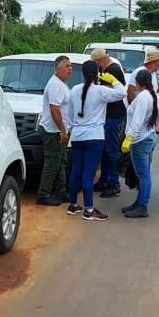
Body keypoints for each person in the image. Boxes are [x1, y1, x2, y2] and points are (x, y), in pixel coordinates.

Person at [64, 61, 128, 221]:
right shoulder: (101, 91)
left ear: (82, 74)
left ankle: (73, 205)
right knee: (88, 173)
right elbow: (122, 93)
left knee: (76, 172)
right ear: (97, 74)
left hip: (77, 136)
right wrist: (112, 79)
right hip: (95, 136)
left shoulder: (73, 90)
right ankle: (89, 209)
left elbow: (70, 116)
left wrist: (74, 128)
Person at [90, 48, 128, 199]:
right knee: (105, 150)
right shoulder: (105, 70)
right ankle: (104, 180)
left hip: (114, 115)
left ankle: (114, 183)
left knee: (111, 150)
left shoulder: (113, 70)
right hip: (107, 115)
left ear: (100, 60)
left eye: (96, 62)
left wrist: (100, 88)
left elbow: (116, 91)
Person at [121, 70, 159, 218]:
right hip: (147, 136)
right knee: (144, 174)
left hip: (140, 140)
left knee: (143, 175)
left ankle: (142, 205)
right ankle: (139, 202)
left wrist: (129, 138)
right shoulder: (150, 95)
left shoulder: (143, 97)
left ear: (137, 82)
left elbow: (137, 121)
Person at [35, 56, 72, 206]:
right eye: (67, 66)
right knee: (52, 163)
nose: (70, 69)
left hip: (58, 130)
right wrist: (62, 130)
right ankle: (43, 194)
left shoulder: (61, 84)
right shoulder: (56, 85)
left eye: (70, 66)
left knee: (61, 161)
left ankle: (61, 191)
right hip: (53, 131)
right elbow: (54, 109)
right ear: (58, 68)